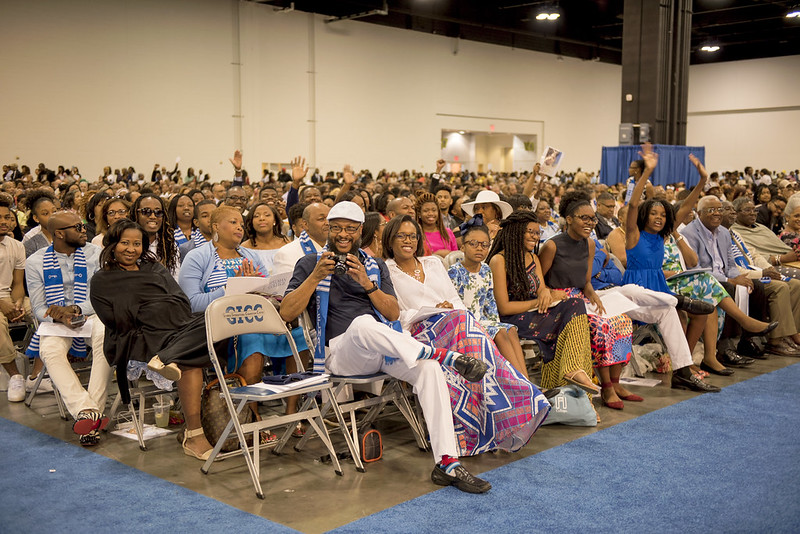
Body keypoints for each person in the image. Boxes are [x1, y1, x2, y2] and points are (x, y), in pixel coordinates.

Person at [281, 201, 493, 494]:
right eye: (337, 228)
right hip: (340, 353)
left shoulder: (374, 265)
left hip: (380, 349)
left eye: (351, 229)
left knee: (429, 370)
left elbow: (393, 314)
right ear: (328, 229)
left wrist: (367, 283)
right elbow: (287, 313)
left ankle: (447, 462)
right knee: (362, 324)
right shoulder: (308, 263)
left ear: (359, 232)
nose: (344, 234)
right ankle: (444, 355)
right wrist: (316, 276)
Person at [384, 215, 547, 455]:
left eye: (412, 235)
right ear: (390, 239)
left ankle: (491, 418)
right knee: (466, 327)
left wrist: (451, 312)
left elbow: (457, 302)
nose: (408, 240)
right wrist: (435, 312)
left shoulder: (432, 264)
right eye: (401, 235)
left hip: (455, 324)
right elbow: (396, 314)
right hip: (420, 331)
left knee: (471, 326)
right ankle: (516, 398)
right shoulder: (386, 270)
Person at [91, 219, 214, 460]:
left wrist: (151, 306)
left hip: (176, 328)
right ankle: (194, 434)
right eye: (124, 242)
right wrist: (153, 307)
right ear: (112, 244)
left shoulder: (154, 268)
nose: (131, 249)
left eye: (137, 244)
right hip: (137, 338)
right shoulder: (102, 279)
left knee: (211, 319)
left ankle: (168, 357)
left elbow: (181, 302)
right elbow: (115, 319)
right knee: (189, 362)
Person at [485, 210, 598, 393]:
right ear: (516, 231)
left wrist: (547, 292)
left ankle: (573, 373)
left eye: (537, 233)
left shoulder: (533, 258)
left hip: (534, 314)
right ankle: (570, 378)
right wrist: (538, 301)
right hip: (514, 319)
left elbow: (541, 288)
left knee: (575, 304)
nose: (535, 237)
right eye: (530, 231)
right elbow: (504, 308)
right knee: (567, 324)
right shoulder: (499, 260)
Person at [25, 211, 112, 446]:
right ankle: (89, 412)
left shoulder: (96, 255)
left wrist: (74, 309)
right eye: (78, 227)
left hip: (90, 315)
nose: (85, 230)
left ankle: (87, 416)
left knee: (106, 337)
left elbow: (101, 297)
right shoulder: (35, 262)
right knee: (49, 351)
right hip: (55, 323)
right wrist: (60, 317)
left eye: (83, 226)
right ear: (59, 234)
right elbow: (38, 308)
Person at [680, 195, 778, 364]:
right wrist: (728, 279)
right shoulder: (689, 233)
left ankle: (748, 340)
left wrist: (737, 277)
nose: (717, 213)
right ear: (699, 213)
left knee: (756, 286)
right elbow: (693, 269)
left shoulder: (724, 233)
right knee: (728, 287)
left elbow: (731, 264)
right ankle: (724, 347)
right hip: (703, 279)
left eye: (719, 209)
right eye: (711, 210)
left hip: (724, 276)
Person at [178, 206, 267, 388]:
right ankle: (249, 407)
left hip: (257, 317)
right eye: (233, 222)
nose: (239, 228)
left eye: (241, 224)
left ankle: (293, 405)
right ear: (216, 227)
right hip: (218, 324)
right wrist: (232, 288)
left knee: (296, 335)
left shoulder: (251, 255)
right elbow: (192, 303)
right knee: (252, 338)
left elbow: (269, 289)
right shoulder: (196, 257)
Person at [448, 218, 529, 378]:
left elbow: (490, 305)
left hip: (483, 321)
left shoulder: (485, 270)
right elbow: (453, 305)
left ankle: (527, 381)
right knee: (499, 332)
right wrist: (496, 328)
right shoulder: (454, 271)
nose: (480, 248)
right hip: (465, 324)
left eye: (485, 245)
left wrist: (498, 324)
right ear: (462, 247)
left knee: (510, 329)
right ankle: (523, 384)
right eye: (474, 244)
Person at [725, 198, 800, 356]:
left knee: (795, 284)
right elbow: (732, 269)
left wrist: (769, 269)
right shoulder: (720, 235)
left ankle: (791, 334)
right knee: (780, 287)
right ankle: (776, 340)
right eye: (728, 211)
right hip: (746, 276)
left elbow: (753, 254)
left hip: (758, 270)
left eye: (754, 210)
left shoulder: (735, 233)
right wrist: (762, 273)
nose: (753, 213)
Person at [0, 199, 35, 401]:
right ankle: (15, 375)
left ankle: (37, 373)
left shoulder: (16, 245)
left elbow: (18, 283)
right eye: (0, 218)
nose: (4, 222)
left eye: (7, 217)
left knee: (44, 311)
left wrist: (18, 303)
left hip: (11, 297)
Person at [272, 202, 330, 275]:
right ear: (305, 224)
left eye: (329, 218)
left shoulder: (339, 248)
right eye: (321, 219)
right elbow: (288, 286)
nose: (327, 223)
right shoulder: (286, 253)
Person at [132, 194, 179, 276]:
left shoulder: (169, 245)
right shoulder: (126, 244)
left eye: (158, 212)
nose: (153, 216)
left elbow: (176, 278)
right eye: (146, 212)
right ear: (136, 214)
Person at [241, 201, 290, 275]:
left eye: (267, 215)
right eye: (256, 216)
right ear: (251, 222)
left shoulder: (286, 242)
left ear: (275, 220)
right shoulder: (244, 248)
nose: (262, 218)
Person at [415, 191, 457, 257]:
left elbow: (456, 257)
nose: (431, 213)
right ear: (419, 214)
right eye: (426, 211)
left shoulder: (448, 232)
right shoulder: (416, 234)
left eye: (434, 210)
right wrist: (435, 256)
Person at [23, 189, 57, 258]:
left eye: (54, 211)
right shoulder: (31, 239)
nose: (52, 216)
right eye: (45, 213)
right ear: (36, 218)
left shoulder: (66, 233)